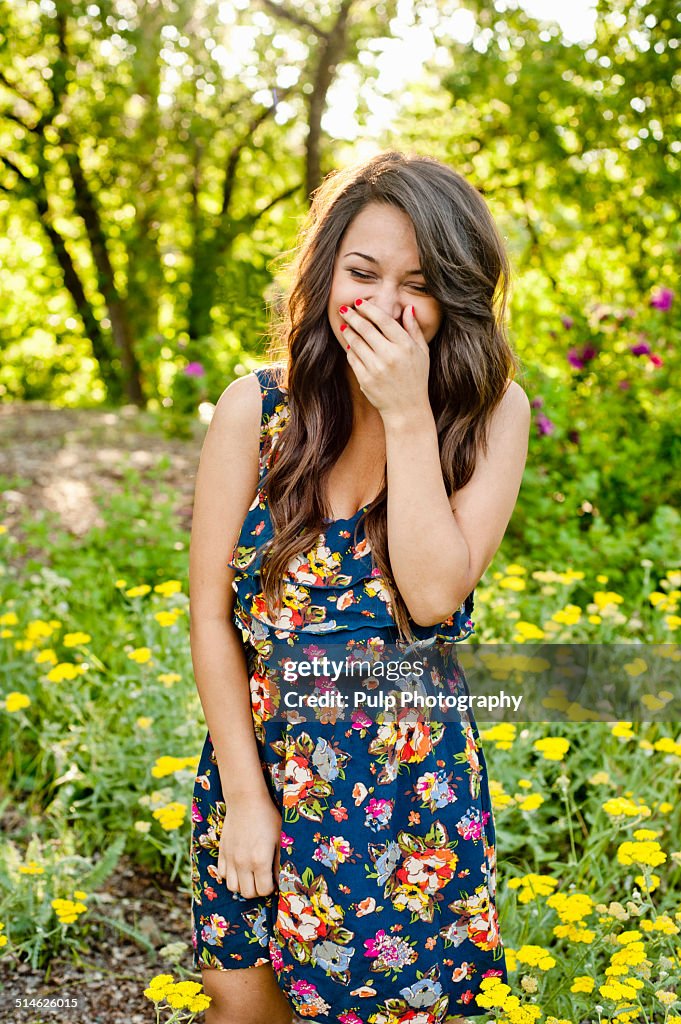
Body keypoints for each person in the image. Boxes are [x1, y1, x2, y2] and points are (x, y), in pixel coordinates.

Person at [188, 150, 530, 1024]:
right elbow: (212, 621)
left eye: (416, 284)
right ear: (325, 270)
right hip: (258, 766)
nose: (382, 305)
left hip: (407, 804)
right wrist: (246, 799)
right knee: (239, 1003)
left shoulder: (491, 414)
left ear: (453, 296)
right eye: (361, 272)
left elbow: (433, 600)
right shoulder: (254, 408)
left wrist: (408, 416)